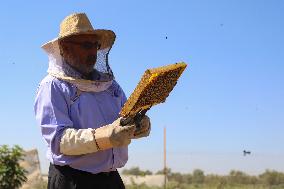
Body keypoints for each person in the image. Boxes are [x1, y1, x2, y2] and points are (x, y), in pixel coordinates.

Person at [34, 13, 151, 189]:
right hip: (72, 180)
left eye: (95, 46)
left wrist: (140, 125)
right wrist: (105, 137)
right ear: (65, 48)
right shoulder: (53, 86)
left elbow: (125, 120)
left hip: (111, 180)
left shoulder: (111, 86)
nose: (93, 53)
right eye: (86, 45)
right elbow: (59, 142)